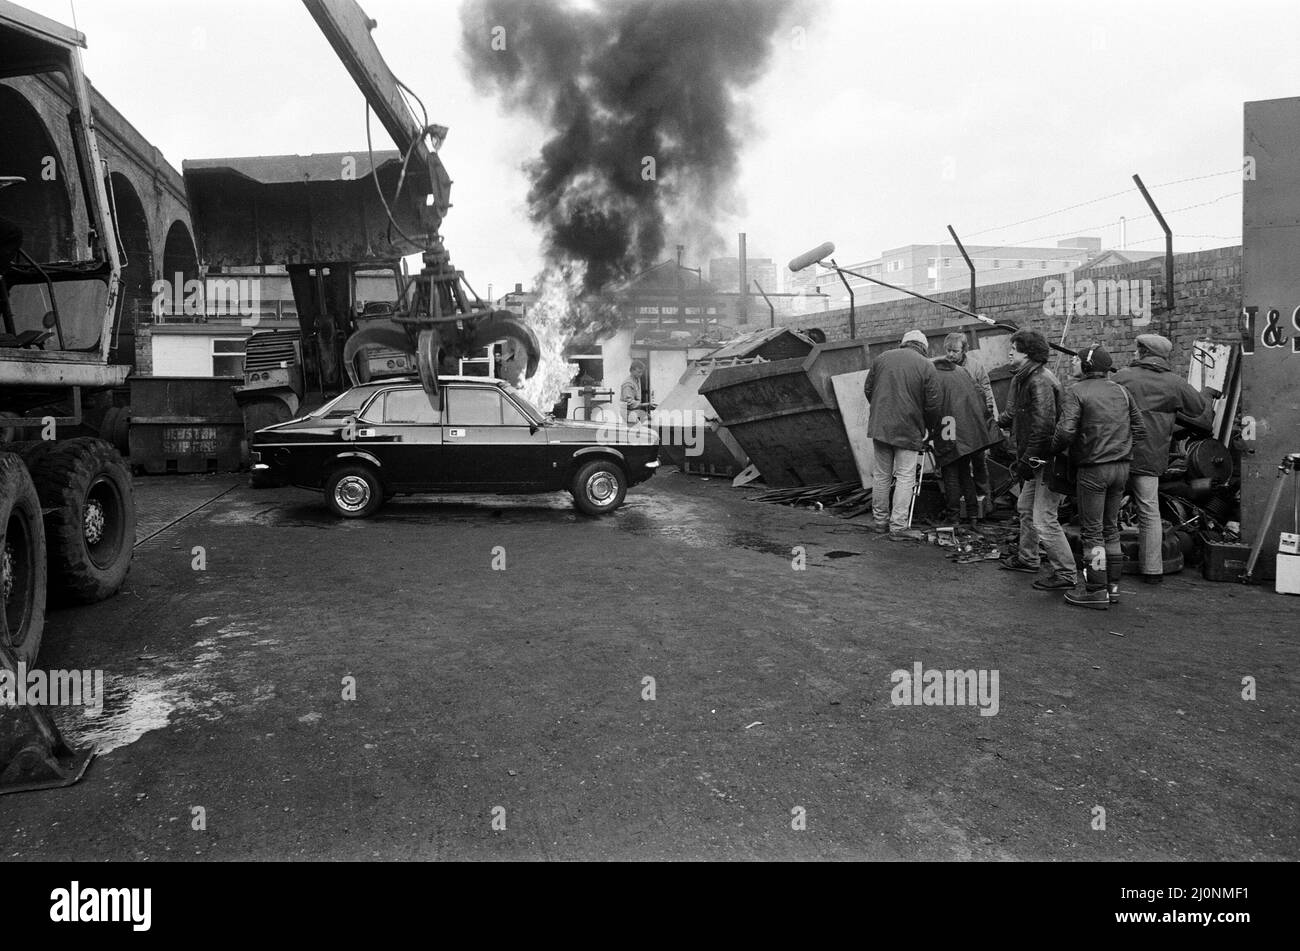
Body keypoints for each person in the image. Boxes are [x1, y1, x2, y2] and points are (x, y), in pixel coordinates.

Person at [1050, 345, 1147, 609]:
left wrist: (1055, 450)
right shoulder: (1121, 391)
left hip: (1093, 469)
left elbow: (1066, 432)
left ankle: (1095, 589)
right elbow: (1139, 429)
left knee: (1092, 532)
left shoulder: (1076, 392)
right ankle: (1112, 588)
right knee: (1110, 528)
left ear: (1087, 366)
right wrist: (1122, 450)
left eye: (1076, 361)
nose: (1073, 364)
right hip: (1121, 467)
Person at [1112, 334, 1212, 584]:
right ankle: (1153, 570)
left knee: (1108, 512)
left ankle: (1106, 569)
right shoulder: (1175, 383)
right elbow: (1199, 408)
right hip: (1151, 458)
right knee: (1149, 511)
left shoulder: (1123, 377)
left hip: (1118, 455)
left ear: (1142, 352)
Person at [997, 329, 1076, 589]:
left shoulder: (1039, 380)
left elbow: (1042, 426)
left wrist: (1027, 461)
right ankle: (1028, 558)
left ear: (1028, 353)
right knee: (1024, 508)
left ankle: (1066, 574)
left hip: (1045, 462)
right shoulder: (1025, 377)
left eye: (1015, 348)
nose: (1010, 352)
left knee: (1044, 518)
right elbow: (1019, 417)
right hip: (1037, 459)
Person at [863, 330, 942, 539]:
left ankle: (879, 521)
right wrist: (929, 428)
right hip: (909, 428)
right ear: (924, 347)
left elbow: (868, 389)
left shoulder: (882, 358)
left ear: (903, 343)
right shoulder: (927, 365)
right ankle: (898, 526)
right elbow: (933, 404)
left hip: (881, 426)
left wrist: (882, 410)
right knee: (905, 476)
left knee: (881, 475)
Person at [931, 348, 1001, 526]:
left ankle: (953, 517)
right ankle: (972, 514)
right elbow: (980, 392)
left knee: (949, 471)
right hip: (967, 429)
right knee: (964, 471)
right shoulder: (962, 371)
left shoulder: (933, 376)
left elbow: (931, 405)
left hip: (947, 426)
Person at [942, 332, 997, 503]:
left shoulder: (975, 367)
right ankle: (957, 501)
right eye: (948, 350)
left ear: (964, 350)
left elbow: (986, 391)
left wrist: (987, 417)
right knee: (952, 461)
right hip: (950, 422)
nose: (950, 355)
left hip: (972, 420)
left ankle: (984, 499)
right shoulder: (940, 367)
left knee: (978, 460)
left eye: (955, 351)